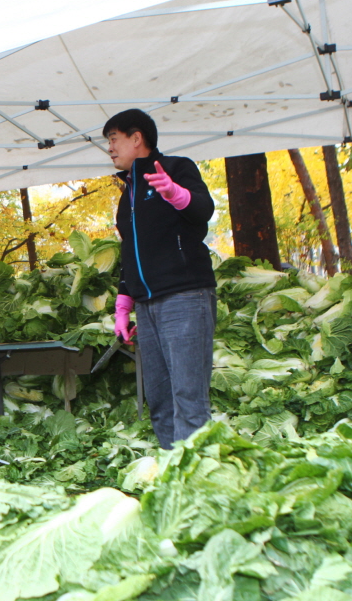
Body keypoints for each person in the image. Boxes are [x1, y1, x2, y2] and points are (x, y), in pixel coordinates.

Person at [103, 108, 217, 450]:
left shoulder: (177, 168)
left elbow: (203, 211)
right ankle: (173, 468)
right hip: (146, 305)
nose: (109, 148)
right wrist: (123, 304)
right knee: (160, 397)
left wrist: (174, 193)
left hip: (185, 295)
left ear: (137, 138)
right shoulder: (127, 196)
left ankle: (195, 480)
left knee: (188, 395)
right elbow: (130, 253)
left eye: (113, 140)